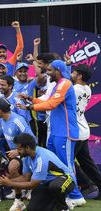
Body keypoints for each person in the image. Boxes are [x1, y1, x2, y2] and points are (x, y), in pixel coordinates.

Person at [17, 60, 86, 208]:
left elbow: (51, 105)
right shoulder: (58, 84)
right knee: (55, 165)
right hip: (56, 132)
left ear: (58, 71)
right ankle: (59, 195)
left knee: (66, 165)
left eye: (50, 70)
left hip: (65, 132)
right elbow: (47, 100)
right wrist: (30, 98)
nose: (47, 73)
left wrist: (29, 107)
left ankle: (76, 196)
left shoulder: (65, 84)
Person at [0, 133, 76, 211]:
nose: (17, 152)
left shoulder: (41, 159)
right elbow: (25, 178)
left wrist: (9, 183)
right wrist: (4, 180)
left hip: (67, 179)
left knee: (55, 186)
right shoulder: (27, 157)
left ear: (27, 148)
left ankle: (63, 207)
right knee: (33, 209)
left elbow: (32, 184)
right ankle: (55, 202)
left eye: (19, 149)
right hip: (47, 183)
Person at [71, 64, 101, 199]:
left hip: (76, 131)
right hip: (83, 129)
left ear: (80, 76)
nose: (71, 74)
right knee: (86, 162)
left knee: (66, 161)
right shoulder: (87, 89)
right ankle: (97, 186)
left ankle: (88, 185)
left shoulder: (74, 89)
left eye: (74, 73)